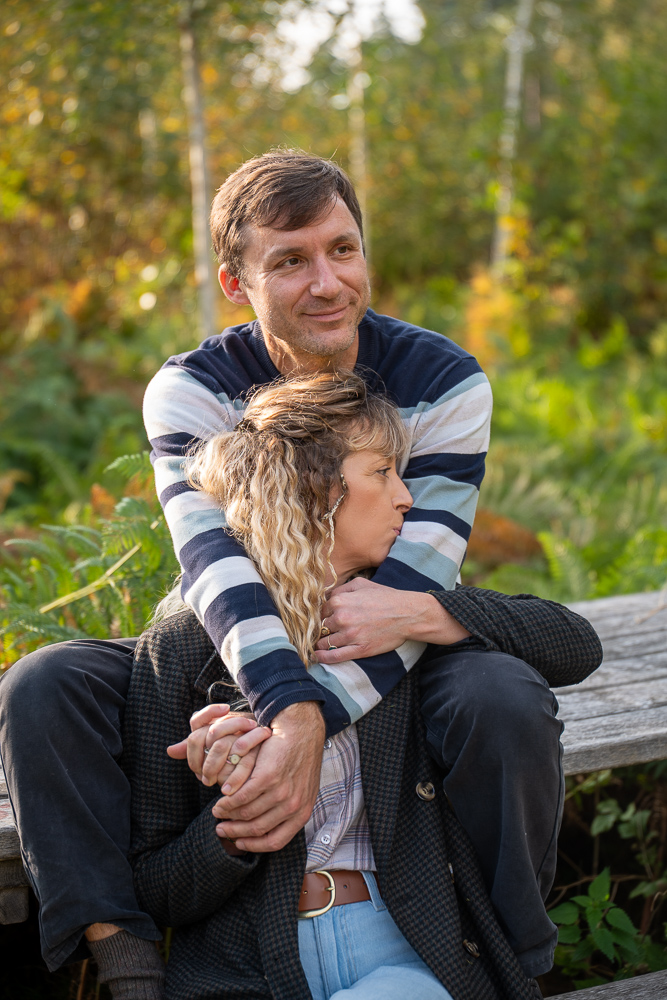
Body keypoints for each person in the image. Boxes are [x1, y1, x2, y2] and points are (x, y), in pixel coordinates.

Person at [0, 150, 602, 996]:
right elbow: (215, 569)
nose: (327, 282)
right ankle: (128, 963)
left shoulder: (443, 382)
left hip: (379, 622)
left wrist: (299, 726)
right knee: (45, 684)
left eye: (342, 249)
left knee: (497, 694)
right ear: (235, 281)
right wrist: (274, 712)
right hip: (230, 630)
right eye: (290, 260)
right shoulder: (190, 388)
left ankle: (508, 963)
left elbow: (401, 586)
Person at [123, 372, 599, 1000]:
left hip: (405, 950)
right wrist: (233, 821)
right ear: (313, 490)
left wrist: (423, 613)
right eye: (382, 473)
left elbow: (576, 644)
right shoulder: (185, 648)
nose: (407, 497)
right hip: (247, 971)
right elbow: (155, 889)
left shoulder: (402, 624)